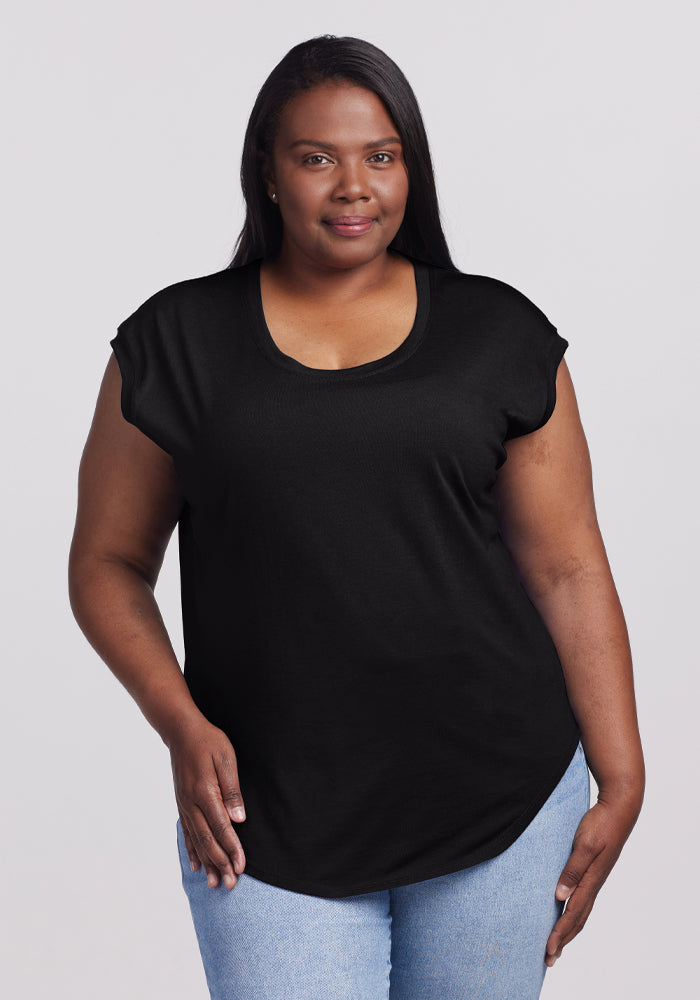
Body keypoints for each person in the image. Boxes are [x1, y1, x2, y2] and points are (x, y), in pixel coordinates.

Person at [69, 33, 645, 1000]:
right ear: (268, 172)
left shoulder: (499, 336)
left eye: (381, 156)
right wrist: (180, 724)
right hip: (266, 813)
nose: (353, 186)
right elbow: (107, 563)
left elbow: (568, 567)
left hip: (499, 799)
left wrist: (621, 773)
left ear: (410, 168)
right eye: (317, 157)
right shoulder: (175, 344)